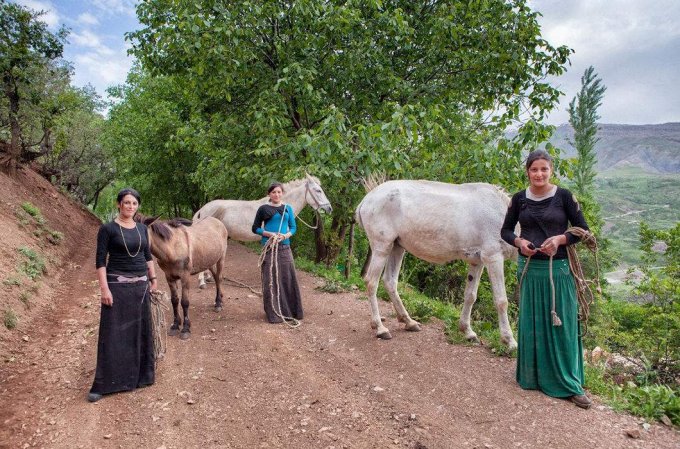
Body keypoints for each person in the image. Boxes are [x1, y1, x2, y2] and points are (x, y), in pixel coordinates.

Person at [501, 149, 593, 409]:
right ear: (527, 172)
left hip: (559, 270)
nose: (539, 174)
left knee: (561, 325)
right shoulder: (519, 200)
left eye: (544, 169)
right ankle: (533, 377)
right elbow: (506, 230)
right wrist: (519, 242)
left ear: (551, 170)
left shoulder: (564, 197)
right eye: (534, 169)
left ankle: (570, 384)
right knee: (532, 323)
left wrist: (561, 239)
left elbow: (583, 230)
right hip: (530, 269)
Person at [88, 188, 158, 403]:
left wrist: (153, 279)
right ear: (118, 204)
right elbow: (101, 260)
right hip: (116, 285)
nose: (130, 207)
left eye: (134, 203)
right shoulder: (107, 229)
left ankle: (140, 378)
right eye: (126, 203)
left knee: (139, 331)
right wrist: (104, 289)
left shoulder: (141, 229)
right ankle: (105, 384)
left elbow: (147, 255)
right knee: (113, 335)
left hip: (140, 287)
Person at [252, 182, 303, 324]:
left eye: (279, 192)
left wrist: (285, 236)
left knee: (288, 278)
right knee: (271, 279)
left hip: (285, 248)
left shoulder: (288, 208)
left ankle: (291, 311)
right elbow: (255, 228)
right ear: (269, 194)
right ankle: (274, 313)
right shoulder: (263, 209)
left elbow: (293, 228)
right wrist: (267, 233)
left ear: (282, 193)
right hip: (269, 248)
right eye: (274, 192)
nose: (277, 194)